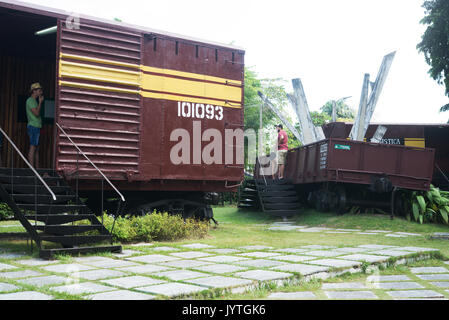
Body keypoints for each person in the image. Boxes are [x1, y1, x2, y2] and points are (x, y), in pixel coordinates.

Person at [26, 82, 44, 168]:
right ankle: (32, 169)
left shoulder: (34, 101)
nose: (41, 92)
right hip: (33, 126)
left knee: (36, 148)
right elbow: (36, 113)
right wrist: (40, 102)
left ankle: (37, 169)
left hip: (36, 126)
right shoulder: (30, 101)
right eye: (39, 90)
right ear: (34, 91)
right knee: (33, 147)